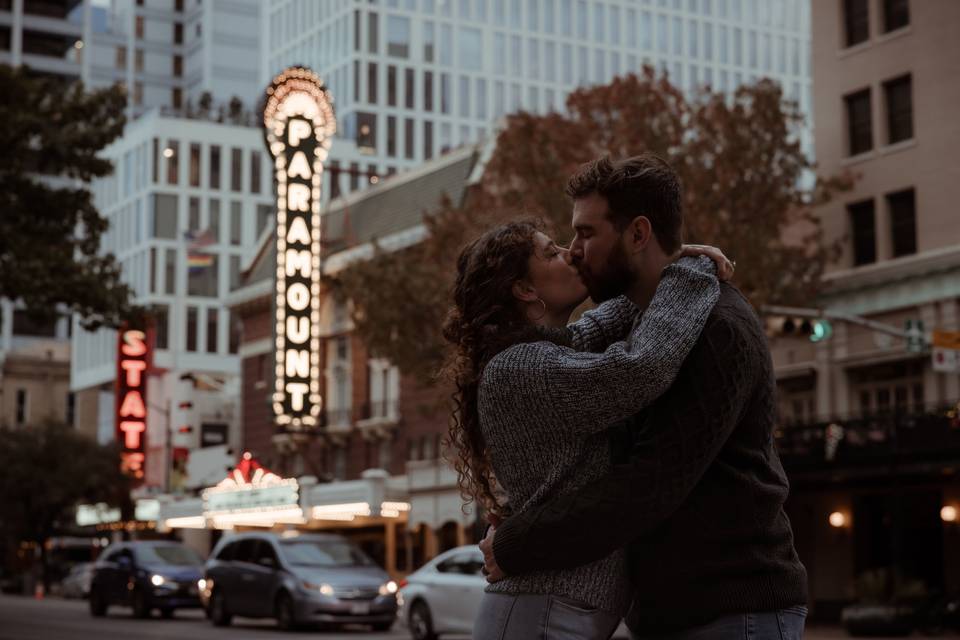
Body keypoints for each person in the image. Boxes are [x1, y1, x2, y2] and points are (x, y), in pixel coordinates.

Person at [479, 154, 809, 639]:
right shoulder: (646, 325)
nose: (573, 252)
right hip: (669, 611)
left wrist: (516, 544)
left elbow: (650, 481)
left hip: (735, 608)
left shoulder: (718, 329)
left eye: (586, 234)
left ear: (637, 234)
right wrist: (685, 261)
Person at [442, 212, 732, 639]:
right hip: (541, 612)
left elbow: (607, 319)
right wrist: (687, 274)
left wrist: (662, 265)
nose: (571, 252)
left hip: (554, 610)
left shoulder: (546, 353)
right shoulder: (523, 369)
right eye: (551, 252)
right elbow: (640, 368)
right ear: (524, 289)